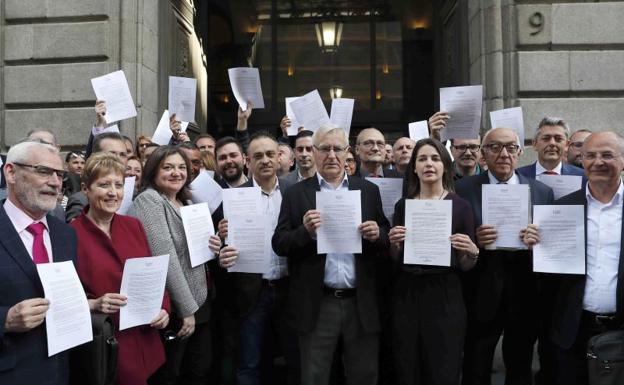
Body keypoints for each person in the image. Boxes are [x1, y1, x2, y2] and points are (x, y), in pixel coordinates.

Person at [272, 125, 390, 385]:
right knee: (314, 376)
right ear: (314, 153)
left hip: (360, 302)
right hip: (317, 303)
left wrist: (377, 234)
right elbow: (279, 243)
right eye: (325, 149)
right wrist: (305, 231)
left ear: (349, 153)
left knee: (364, 375)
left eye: (338, 149)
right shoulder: (296, 193)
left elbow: (386, 237)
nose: (332, 155)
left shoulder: (368, 191)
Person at [455, 127, 554, 385]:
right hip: (479, 292)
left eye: (511, 147)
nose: (504, 154)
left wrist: (537, 242)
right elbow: (453, 238)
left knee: (520, 366)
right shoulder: (462, 189)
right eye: (495, 147)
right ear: (482, 154)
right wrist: (475, 240)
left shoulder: (542, 191)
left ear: (520, 152)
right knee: (476, 365)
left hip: (525, 292)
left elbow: (551, 245)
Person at [524, 131, 624, 385]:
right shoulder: (563, 209)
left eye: (607, 155)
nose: (597, 161)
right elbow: (548, 276)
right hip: (573, 331)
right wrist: (536, 248)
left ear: (623, 160)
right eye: (590, 155)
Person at [71, 153, 169, 385]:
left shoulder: (133, 225)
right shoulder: (70, 234)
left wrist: (164, 309)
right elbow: (63, 298)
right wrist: (93, 305)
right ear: (86, 189)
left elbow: (152, 273)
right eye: (104, 185)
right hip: (105, 346)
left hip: (145, 340)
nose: (113, 192)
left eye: (118, 184)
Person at [388, 138, 478, 385]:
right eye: (422, 159)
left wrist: (472, 251)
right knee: (407, 367)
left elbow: (466, 265)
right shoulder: (403, 206)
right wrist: (394, 245)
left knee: (444, 369)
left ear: (445, 166)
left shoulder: (460, 207)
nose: (429, 164)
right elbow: (396, 260)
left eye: (435, 158)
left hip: (445, 295)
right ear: (414, 168)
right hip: (407, 293)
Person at [213, 132, 299, 385]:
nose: (265, 160)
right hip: (252, 293)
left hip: (289, 289)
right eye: (258, 156)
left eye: (270, 154)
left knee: (294, 359)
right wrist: (221, 243)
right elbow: (217, 249)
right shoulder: (232, 198)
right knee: (249, 363)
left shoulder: (294, 193)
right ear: (248, 161)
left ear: (280, 157)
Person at [132, 146, 211, 385]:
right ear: (153, 172)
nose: (176, 173)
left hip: (200, 299)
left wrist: (212, 244)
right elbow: (165, 256)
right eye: (167, 167)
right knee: (172, 374)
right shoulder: (150, 200)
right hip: (178, 308)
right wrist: (187, 309)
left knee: (198, 370)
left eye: (180, 167)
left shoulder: (184, 201)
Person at [0, 141, 77, 384]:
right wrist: (5, 319)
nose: (55, 182)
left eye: (60, 174)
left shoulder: (65, 234)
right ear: (11, 172)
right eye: (43, 171)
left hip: (59, 373)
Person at [65, 132, 129, 222]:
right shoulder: (80, 201)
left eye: (123, 154)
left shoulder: (134, 224)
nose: (118, 159)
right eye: (112, 154)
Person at [517, 117, 584, 178]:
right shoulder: (518, 176)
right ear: (535, 144)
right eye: (546, 138)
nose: (552, 143)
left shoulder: (581, 176)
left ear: (567, 145)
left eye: (558, 139)